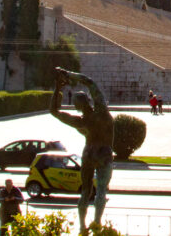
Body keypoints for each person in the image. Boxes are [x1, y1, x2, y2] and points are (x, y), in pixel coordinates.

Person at [50, 67, 115, 234]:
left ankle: (82, 227)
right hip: (104, 154)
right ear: (88, 100)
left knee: (85, 191)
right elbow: (90, 82)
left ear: (77, 107)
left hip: (88, 154)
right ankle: (97, 224)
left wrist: (58, 87)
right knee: (101, 191)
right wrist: (69, 74)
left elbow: (54, 112)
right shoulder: (101, 111)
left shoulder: (80, 121)